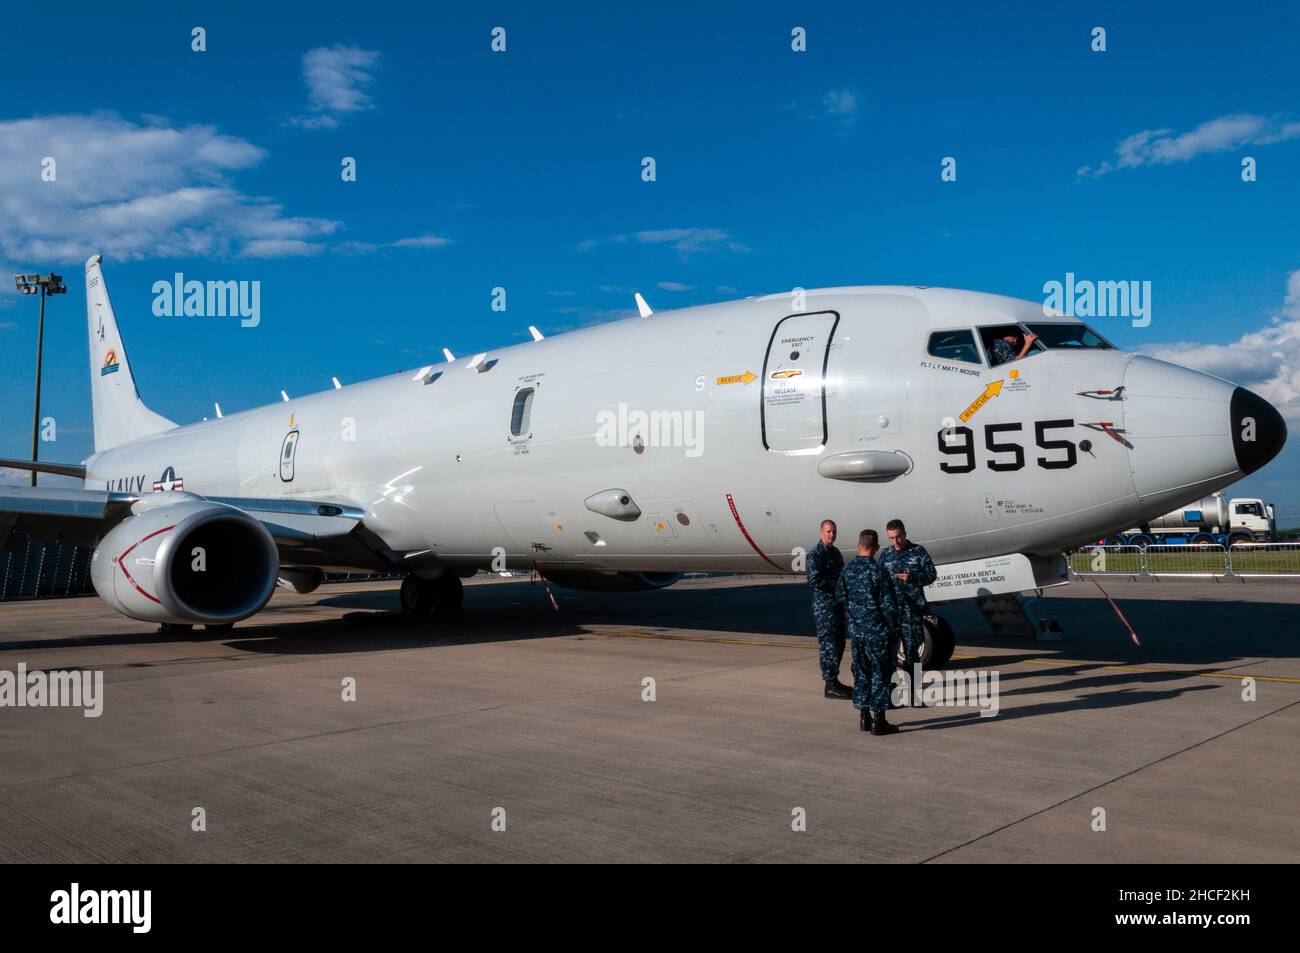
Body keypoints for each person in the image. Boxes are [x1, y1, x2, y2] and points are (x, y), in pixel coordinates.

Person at [835, 530, 901, 735]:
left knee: (861, 672)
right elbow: (889, 606)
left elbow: (839, 597)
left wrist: (855, 615)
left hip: (857, 632)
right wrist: (894, 628)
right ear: (877, 548)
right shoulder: (878, 571)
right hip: (878, 632)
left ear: (858, 546)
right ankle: (879, 721)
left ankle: (864, 717)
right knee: (880, 674)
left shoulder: (848, 570)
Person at [879, 519, 938, 706]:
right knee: (889, 653)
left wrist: (913, 577)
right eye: (891, 538)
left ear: (905, 534)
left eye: (898, 537)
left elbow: (931, 575)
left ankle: (914, 694)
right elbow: (879, 580)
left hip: (912, 611)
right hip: (891, 612)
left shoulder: (918, 551)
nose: (895, 541)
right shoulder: (886, 554)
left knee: (912, 654)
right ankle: (890, 694)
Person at [806, 519, 851, 699]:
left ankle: (834, 680)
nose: (831, 534)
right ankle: (830, 683)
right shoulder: (815, 554)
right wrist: (837, 586)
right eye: (828, 531)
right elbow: (814, 580)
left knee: (839, 643)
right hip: (824, 607)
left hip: (837, 605)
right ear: (821, 532)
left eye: (833, 531)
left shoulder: (835, 553)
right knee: (828, 644)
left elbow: (842, 577)